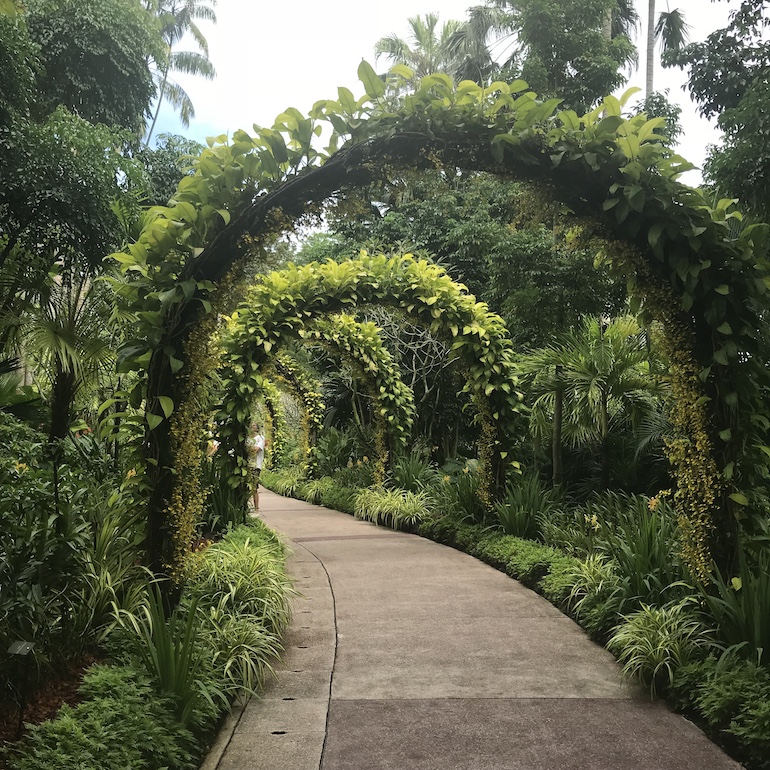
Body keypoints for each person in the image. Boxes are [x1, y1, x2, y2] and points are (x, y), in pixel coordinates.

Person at [247, 424, 266, 512]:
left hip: (256, 466)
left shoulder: (260, 438)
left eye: (254, 425)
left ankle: (256, 508)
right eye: (251, 425)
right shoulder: (247, 438)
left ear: (257, 428)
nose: (252, 427)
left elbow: (256, 449)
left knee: (254, 487)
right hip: (247, 465)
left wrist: (247, 448)